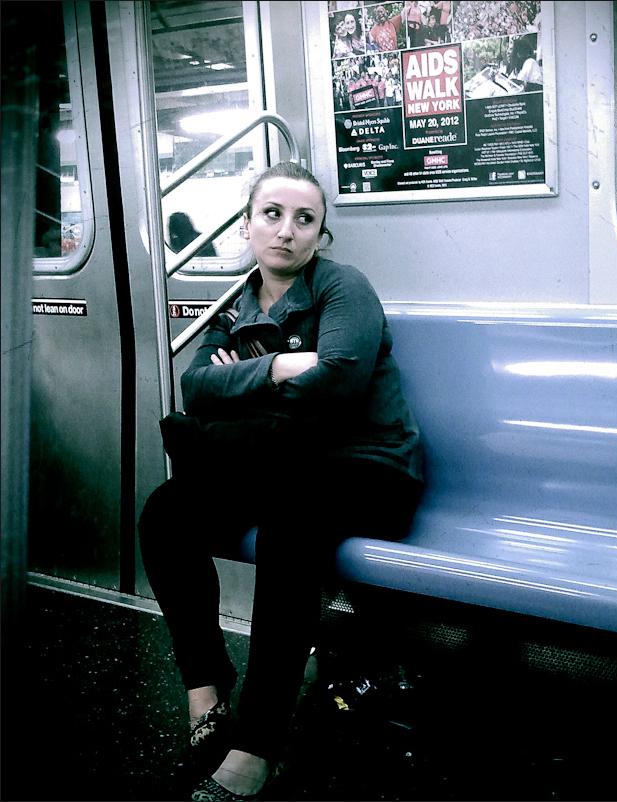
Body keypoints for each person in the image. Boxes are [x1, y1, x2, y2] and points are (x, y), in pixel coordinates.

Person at [138, 161, 424, 802]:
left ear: (321, 235)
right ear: (246, 225)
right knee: (167, 512)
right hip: (283, 465)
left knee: (290, 527)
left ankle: (256, 745)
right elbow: (196, 385)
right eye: (272, 214)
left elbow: (340, 383)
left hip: (371, 466)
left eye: (304, 219)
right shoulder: (238, 302)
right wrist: (281, 367)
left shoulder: (344, 287)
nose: (286, 230)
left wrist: (241, 381)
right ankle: (205, 687)